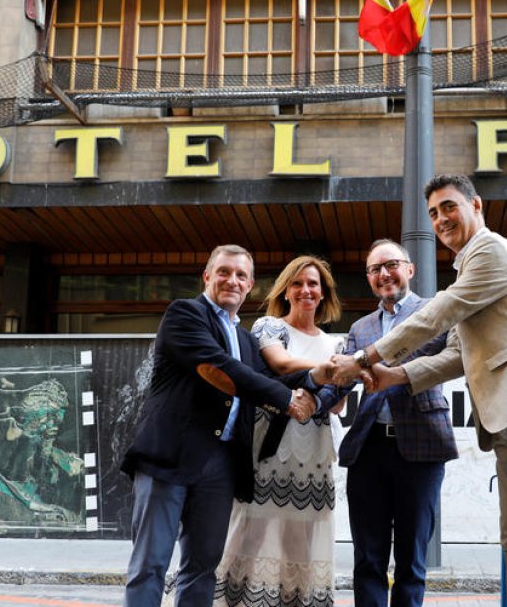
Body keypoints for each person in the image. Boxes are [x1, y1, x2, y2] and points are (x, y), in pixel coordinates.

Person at [330, 174, 507, 607]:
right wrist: (394, 376)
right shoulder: (466, 269)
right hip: (505, 418)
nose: (441, 219)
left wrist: (366, 359)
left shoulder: (490, 251)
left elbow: (437, 315)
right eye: (433, 213)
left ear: (476, 205)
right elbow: (457, 355)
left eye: (449, 207)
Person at [120, 245, 322, 607]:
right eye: (224, 272)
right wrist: (287, 400)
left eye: (241, 275)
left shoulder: (245, 339)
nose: (232, 280)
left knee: (203, 567)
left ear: (250, 285)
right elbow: (222, 367)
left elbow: (270, 379)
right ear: (207, 277)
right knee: (150, 564)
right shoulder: (185, 314)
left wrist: (325, 374)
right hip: (169, 457)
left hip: (221, 464)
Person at [215, 255, 347, 607]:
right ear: (286, 291)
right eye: (297, 283)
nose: (305, 290)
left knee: (300, 540)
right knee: (251, 531)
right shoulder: (269, 326)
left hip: (314, 452)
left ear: (323, 293)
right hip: (270, 446)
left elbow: (338, 405)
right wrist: (332, 372)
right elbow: (281, 363)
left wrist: (334, 377)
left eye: (313, 284)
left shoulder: (336, 344)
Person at [340, 239, 457, 607]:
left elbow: (453, 359)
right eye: (375, 269)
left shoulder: (435, 312)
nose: (384, 274)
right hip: (368, 449)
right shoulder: (360, 327)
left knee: (411, 559)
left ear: (410, 269)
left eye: (391, 264)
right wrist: (307, 398)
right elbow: (341, 378)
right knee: (367, 558)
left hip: (422, 447)